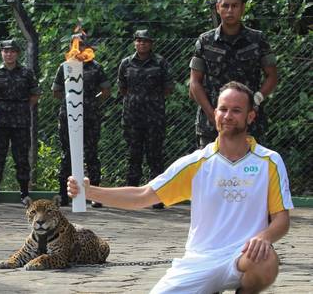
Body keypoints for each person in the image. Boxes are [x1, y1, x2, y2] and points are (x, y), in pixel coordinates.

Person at [68, 81, 292, 293]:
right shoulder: (196, 163)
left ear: (250, 116)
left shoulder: (269, 161)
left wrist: (264, 237)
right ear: (215, 114)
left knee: (266, 259)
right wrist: (89, 191)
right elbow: (143, 196)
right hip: (200, 260)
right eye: (223, 109)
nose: (227, 116)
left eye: (236, 110)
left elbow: (281, 219)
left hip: (243, 257)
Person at [189, 0, 278, 148]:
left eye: (235, 6)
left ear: (242, 8)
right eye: (225, 6)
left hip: (249, 122)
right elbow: (195, 82)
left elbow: (272, 76)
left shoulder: (258, 40)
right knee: (210, 170)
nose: (230, 10)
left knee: (250, 170)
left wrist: (256, 99)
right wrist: (212, 113)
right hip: (211, 125)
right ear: (218, 8)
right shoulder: (205, 41)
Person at [117, 29, 174, 209]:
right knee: (133, 156)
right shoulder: (126, 63)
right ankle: (131, 198)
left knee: (155, 157)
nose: (142, 44)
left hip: (154, 117)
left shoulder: (160, 63)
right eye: (139, 41)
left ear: (151, 44)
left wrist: (151, 101)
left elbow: (168, 88)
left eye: (146, 41)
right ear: (134, 43)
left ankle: (156, 197)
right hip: (132, 117)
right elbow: (123, 88)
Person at [52, 33, 111, 207]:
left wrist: (91, 101)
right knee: (67, 154)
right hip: (69, 117)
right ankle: (64, 195)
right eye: (75, 43)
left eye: (82, 44)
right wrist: (72, 102)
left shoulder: (96, 67)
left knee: (91, 154)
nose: (78, 46)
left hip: (90, 117)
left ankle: (94, 195)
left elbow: (106, 91)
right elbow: (56, 92)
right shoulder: (65, 66)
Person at [0, 39, 41, 205]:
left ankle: (24, 194)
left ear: (17, 53)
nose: (9, 54)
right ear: (2, 53)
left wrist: (20, 107)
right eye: (6, 51)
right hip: (0, 122)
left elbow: (35, 94)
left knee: (21, 158)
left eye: (12, 51)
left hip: (21, 122)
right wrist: (3, 107)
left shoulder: (26, 73)